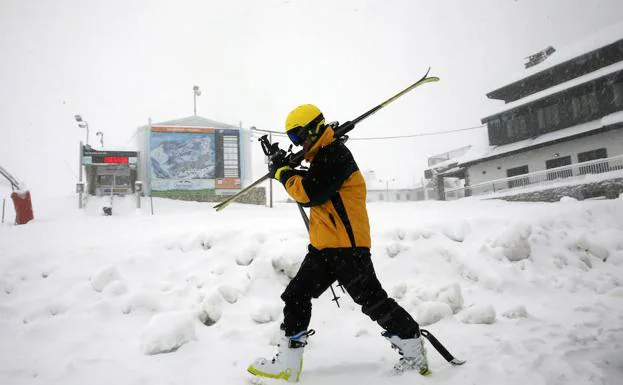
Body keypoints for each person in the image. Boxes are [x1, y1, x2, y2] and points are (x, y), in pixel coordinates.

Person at [247, 104, 428, 383]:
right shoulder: (323, 158)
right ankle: (288, 364)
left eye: (299, 137)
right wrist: (286, 167)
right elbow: (313, 182)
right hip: (324, 248)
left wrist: (284, 173)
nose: (298, 144)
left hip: (347, 247)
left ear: (315, 128)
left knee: (371, 300)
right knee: (296, 296)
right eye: (292, 140)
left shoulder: (336, 154)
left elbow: (310, 192)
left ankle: (412, 346)